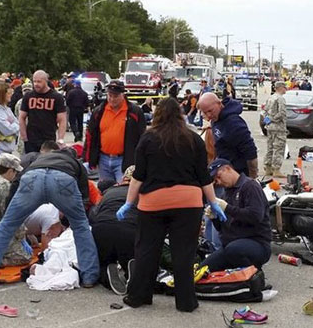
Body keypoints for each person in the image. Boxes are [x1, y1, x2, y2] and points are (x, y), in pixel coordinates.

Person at [116, 97, 226, 312]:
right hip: (189, 202)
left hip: (153, 202)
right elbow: (204, 176)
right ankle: (186, 302)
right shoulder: (194, 139)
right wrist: (213, 202)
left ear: (157, 114)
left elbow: (138, 176)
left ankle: (139, 296)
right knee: (184, 253)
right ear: (180, 115)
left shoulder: (148, 139)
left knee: (147, 249)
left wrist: (128, 202)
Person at [0, 148, 100, 290]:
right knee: (81, 227)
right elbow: (84, 199)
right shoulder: (75, 163)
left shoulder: (40, 159)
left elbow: (16, 182)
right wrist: (71, 220)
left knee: (6, 226)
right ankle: (89, 277)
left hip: (32, 178)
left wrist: (10, 214)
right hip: (63, 180)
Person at [202, 159, 271, 270]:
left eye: (219, 177)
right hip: (231, 244)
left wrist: (227, 208)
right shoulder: (226, 193)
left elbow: (255, 216)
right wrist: (214, 217)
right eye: (215, 180)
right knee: (203, 269)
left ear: (228, 169)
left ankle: (254, 276)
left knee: (233, 250)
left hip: (256, 242)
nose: (218, 182)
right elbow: (222, 228)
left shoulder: (250, 186)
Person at [89, 165, 138, 295]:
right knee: (130, 255)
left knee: (103, 260)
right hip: (129, 228)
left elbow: (93, 214)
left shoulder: (109, 191)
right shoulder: (143, 192)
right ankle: (132, 271)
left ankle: (107, 272)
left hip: (102, 227)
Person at [84, 80, 145, 183]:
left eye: (115, 96)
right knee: (104, 191)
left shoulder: (134, 112)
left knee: (121, 192)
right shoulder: (99, 112)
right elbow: (90, 135)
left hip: (124, 160)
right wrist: (89, 158)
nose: (112, 99)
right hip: (103, 159)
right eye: (110, 95)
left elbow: (142, 137)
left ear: (122, 94)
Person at [197, 93, 259, 178]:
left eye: (210, 111)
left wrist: (252, 178)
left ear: (219, 104)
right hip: (222, 170)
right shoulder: (216, 119)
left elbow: (250, 152)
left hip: (238, 174)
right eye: (204, 112)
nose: (208, 115)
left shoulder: (234, 123)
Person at [18, 70, 67, 153]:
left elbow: (62, 119)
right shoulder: (28, 96)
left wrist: (60, 139)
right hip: (31, 139)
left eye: (39, 81)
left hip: (49, 139)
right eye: (34, 81)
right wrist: (24, 137)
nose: (36, 84)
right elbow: (21, 117)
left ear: (46, 81)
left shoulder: (56, 97)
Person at [263, 81, 287, 178]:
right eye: (284, 87)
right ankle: (276, 169)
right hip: (279, 127)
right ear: (280, 87)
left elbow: (265, 112)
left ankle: (268, 167)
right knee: (279, 148)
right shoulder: (280, 99)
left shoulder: (270, 98)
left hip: (270, 127)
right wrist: (274, 120)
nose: (286, 89)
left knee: (270, 147)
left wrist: (268, 121)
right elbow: (282, 113)